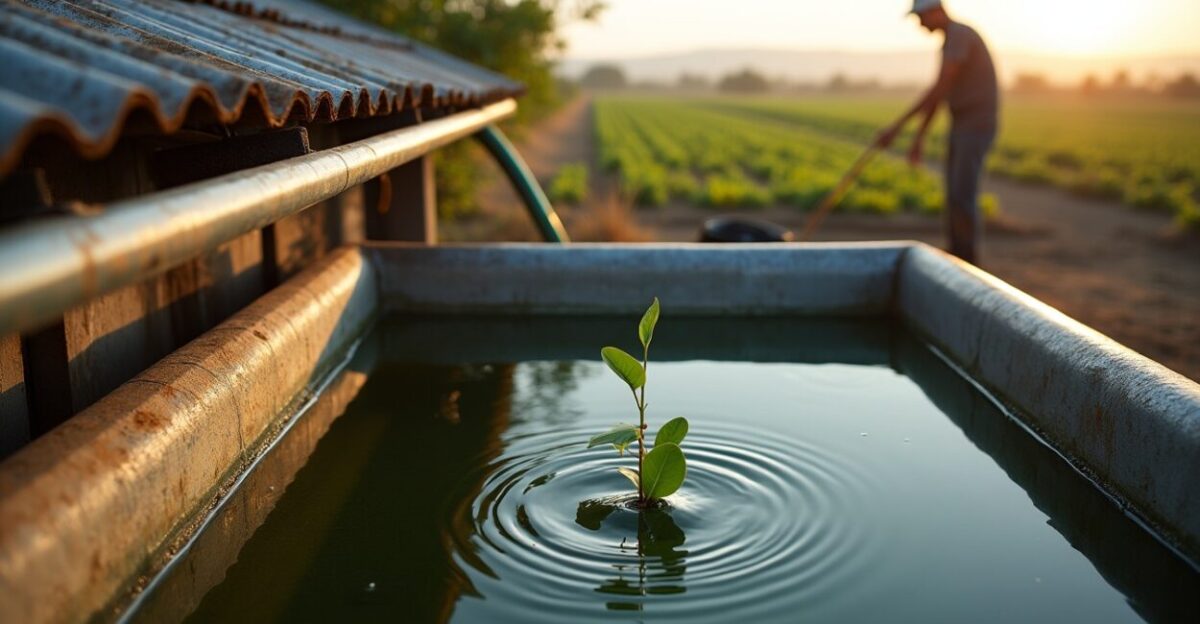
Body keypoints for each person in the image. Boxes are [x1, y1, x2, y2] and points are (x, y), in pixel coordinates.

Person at [876, 0, 999, 264]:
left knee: (962, 194)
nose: (920, 25)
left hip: (975, 124)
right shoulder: (951, 39)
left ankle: (968, 260)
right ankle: (958, 255)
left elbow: (939, 90)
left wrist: (897, 129)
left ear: (936, 11)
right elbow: (940, 95)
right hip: (962, 123)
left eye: (921, 18)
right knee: (954, 193)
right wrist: (917, 138)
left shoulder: (960, 36)